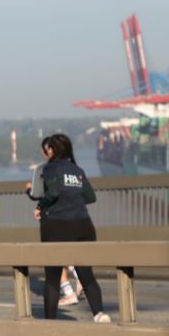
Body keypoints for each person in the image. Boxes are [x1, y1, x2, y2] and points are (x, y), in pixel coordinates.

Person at [30, 133, 111, 323]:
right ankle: (99, 314)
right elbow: (90, 197)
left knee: (52, 276)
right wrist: (72, 200)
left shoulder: (50, 168)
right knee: (86, 274)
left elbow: (54, 192)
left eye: (47, 148)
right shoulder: (77, 170)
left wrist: (40, 206)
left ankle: (50, 322)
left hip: (58, 225)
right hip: (84, 225)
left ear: (51, 150)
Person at [27, 138, 85, 307]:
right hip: (74, 217)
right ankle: (81, 277)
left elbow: (37, 193)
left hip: (51, 217)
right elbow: (86, 194)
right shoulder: (73, 169)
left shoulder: (43, 169)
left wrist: (28, 191)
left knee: (53, 256)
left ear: (48, 151)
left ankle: (68, 292)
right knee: (65, 253)